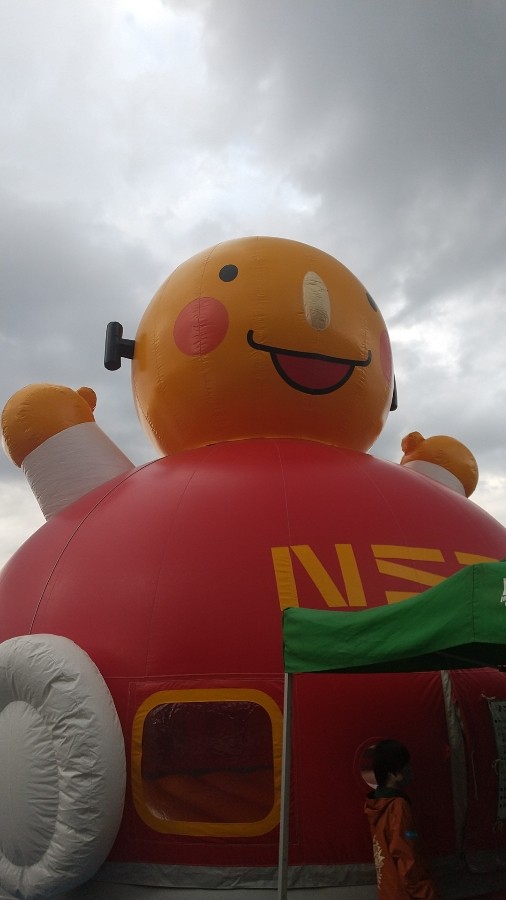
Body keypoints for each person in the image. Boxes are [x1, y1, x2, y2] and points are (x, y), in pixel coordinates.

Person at [364, 739, 439, 900]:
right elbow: (408, 858)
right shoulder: (398, 806)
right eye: (407, 766)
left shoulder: (376, 805)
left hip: (388, 892)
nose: (411, 770)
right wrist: (427, 894)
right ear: (394, 773)